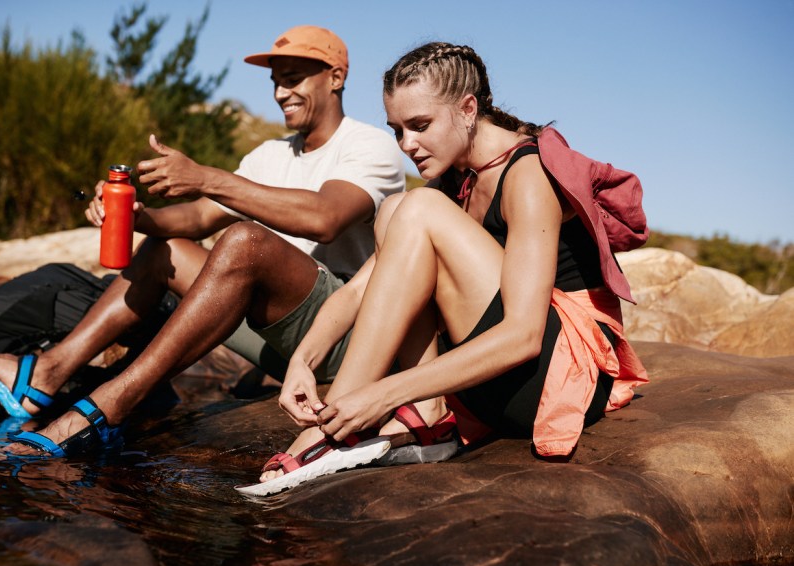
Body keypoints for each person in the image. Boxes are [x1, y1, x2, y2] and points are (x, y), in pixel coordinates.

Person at [0, 25, 405, 457]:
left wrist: (207, 177)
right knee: (168, 250)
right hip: (283, 337)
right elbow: (200, 217)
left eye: (293, 79)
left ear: (336, 77)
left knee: (245, 241)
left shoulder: (369, 146)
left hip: (348, 337)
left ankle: (110, 405)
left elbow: (325, 218)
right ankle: (46, 373)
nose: (281, 92)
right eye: (275, 82)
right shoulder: (270, 154)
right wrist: (138, 218)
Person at [242, 41, 649, 496]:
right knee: (396, 208)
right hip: (489, 381)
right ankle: (427, 416)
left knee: (416, 207)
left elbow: (523, 335)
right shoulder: (454, 179)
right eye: (397, 130)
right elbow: (361, 290)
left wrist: (386, 392)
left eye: (420, 126)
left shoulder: (527, 174)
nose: (406, 145)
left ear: (468, 108)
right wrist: (305, 359)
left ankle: (332, 432)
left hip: (550, 381)